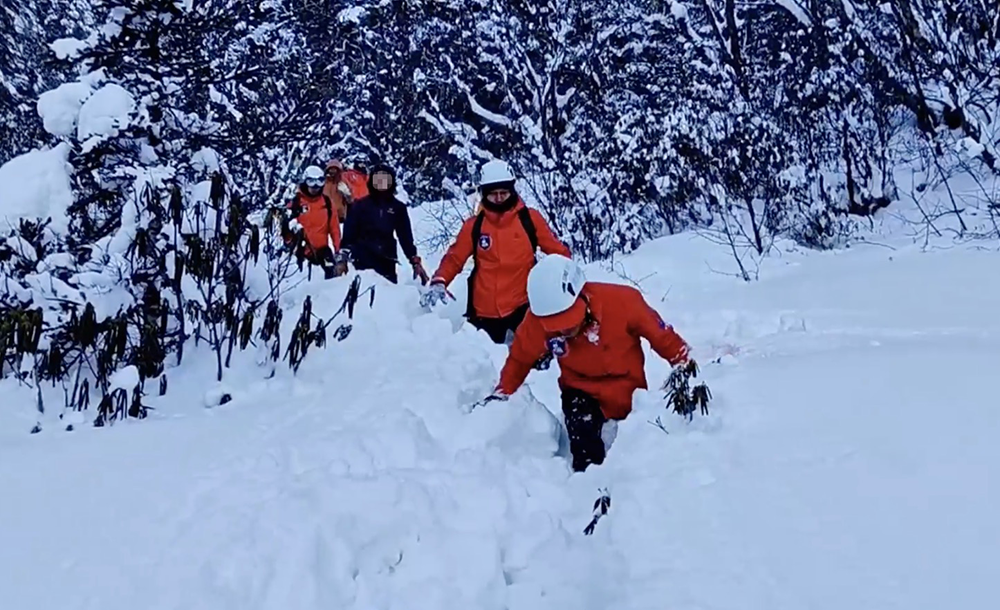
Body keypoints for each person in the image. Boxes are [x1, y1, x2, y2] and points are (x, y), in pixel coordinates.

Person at [486, 254, 695, 472]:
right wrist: (503, 391)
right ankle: (587, 488)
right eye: (556, 326)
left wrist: (688, 367)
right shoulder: (537, 322)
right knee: (584, 449)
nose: (563, 331)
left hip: (628, 390)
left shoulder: (624, 302)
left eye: (567, 322)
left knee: (639, 455)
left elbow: (664, 339)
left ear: (581, 298)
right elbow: (520, 358)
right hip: (579, 390)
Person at [421, 159, 570, 345]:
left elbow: (559, 254)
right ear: (484, 195)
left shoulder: (530, 219)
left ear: (512, 191)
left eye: (504, 193)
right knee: (482, 369)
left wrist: (565, 283)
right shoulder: (474, 226)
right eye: (493, 194)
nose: (499, 198)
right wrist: (440, 281)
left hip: (524, 309)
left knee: (530, 368)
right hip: (484, 314)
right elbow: (454, 258)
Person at [338, 163, 429, 284]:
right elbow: (349, 233)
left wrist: (414, 260)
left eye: (385, 179)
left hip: (387, 258)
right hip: (362, 258)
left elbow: (405, 236)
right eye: (377, 179)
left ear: (391, 182)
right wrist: (343, 257)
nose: (381, 183)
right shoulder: (359, 206)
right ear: (372, 182)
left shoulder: (398, 207)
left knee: (388, 296)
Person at [283, 165, 342, 279]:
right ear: (305, 182)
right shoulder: (296, 202)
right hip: (301, 252)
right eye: (311, 182)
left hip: (322, 251)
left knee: (332, 281)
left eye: (319, 182)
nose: (315, 187)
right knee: (301, 282)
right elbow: (286, 228)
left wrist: (338, 249)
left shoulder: (327, 203)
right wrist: (291, 245)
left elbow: (334, 228)